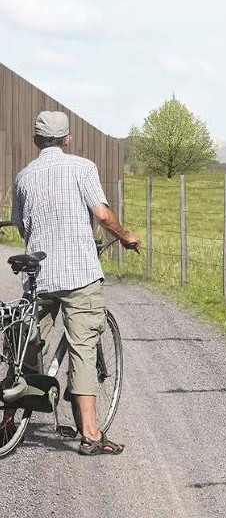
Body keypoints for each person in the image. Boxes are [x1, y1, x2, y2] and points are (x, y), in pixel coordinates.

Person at [4, 110, 141, 454]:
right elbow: (102, 214)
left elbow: (22, 226)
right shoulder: (83, 168)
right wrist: (124, 237)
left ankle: (7, 420)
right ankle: (91, 435)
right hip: (80, 273)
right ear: (68, 139)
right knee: (82, 347)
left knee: (28, 344)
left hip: (40, 275)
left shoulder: (23, 177)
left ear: (36, 141)